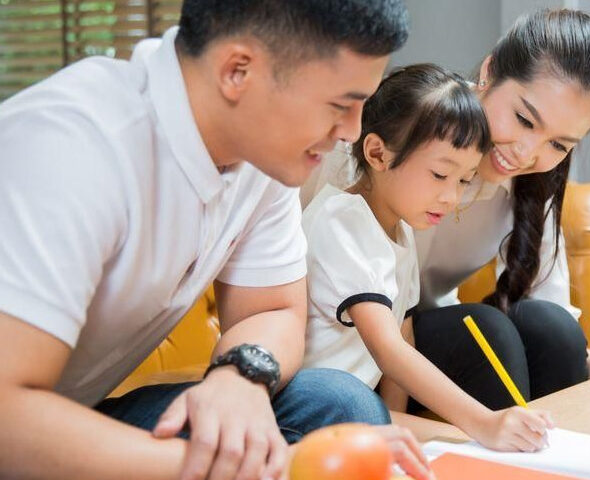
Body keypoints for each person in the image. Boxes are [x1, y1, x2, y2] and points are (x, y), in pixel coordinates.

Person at [0, 1, 421, 479]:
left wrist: (240, 376)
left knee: (337, 404)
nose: (350, 132)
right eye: (340, 105)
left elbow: (273, 311)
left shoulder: (262, 157)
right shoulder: (71, 147)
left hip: (77, 413)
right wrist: (268, 469)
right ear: (237, 71)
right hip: (15, 426)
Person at [410, 9, 590, 411]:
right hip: (362, 338)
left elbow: (557, 343)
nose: (526, 153)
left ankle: (561, 466)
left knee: (552, 328)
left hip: (433, 342)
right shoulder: (407, 128)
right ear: (489, 71)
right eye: (524, 119)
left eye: (559, 145)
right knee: (486, 331)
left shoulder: (530, 184)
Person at [302, 63, 552, 463]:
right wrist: (484, 421)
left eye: (464, 181)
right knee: (476, 437)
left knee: (474, 446)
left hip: (361, 409)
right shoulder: (341, 221)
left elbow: (403, 333)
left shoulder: (400, 231)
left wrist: (398, 420)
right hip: (318, 408)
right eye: (440, 174)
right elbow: (387, 348)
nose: (452, 198)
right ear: (378, 153)